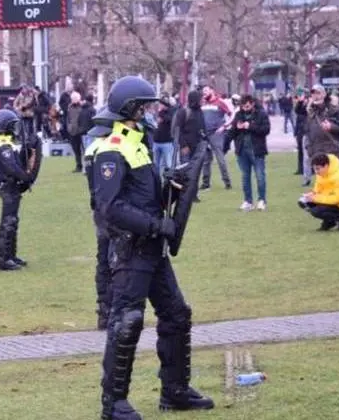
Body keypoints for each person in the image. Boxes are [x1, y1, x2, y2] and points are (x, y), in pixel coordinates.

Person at [93, 76, 214, 420]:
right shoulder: (112, 149)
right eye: (144, 106)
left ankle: (174, 391)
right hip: (131, 250)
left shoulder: (139, 142)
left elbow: (143, 198)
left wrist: (170, 188)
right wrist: (157, 225)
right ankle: (113, 404)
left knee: (177, 314)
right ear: (131, 109)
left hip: (153, 249)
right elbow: (111, 207)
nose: (149, 112)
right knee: (127, 322)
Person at [0, 109, 36, 271]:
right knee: (8, 222)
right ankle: (4, 258)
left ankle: (11, 255)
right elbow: (12, 167)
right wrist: (26, 177)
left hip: (9, 186)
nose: (15, 129)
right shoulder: (2, 145)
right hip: (8, 186)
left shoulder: (3, 143)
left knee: (12, 221)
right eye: (13, 125)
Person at [83, 110, 114, 330]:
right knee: (114, 260)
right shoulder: (109, 150)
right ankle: (113, 309)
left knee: (103, 260)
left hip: (98, 210)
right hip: (112, 211)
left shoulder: (91, 149)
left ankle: (103, 310)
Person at [228, 95, 271, 211]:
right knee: (245, 177)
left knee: (260, 176)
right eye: (242, 106)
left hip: (257, 150)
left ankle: (261, 200)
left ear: (252, 104)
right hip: (242, 150)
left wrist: (250, 126)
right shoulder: (238, 115)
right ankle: (248, 201)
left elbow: (266, 130)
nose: (245, 108)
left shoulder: (261, 114)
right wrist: (236, 128)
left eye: (247, 106)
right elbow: (232, 131)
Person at [298, 153, 339, 232]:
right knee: (303, 202)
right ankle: (330, 221)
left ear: (326, 166)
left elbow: (336, 199)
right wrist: (312, 194)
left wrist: (315, 198)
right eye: (314, 169)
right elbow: (318, 189)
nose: (316, 172)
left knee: (316, 211)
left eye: (318, 169)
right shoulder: (321, 174)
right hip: (327, 200)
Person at [200, 86, 232, 190]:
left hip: (216, 134)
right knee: (205, 160)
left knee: (220, 159)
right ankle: (205, 184)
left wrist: (224, 127)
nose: (204, 93)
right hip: (204, 135)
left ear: (212, 91)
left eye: (206, 91)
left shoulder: (220, 102)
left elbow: (231, 115)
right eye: (203, 91)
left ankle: (227, 182)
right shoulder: (203, 103)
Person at [66, 92, 84, 172]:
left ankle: (86, 166)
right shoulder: (69, 107)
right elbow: (68, 118)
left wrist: (81, 128)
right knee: (76, 150)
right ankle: (78, 166)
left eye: (75, 98)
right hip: (72, 131)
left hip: (81, 131)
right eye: (72, 98)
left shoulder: (82, 107)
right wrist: (69, 127)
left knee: (84, 149)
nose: (73, 100)